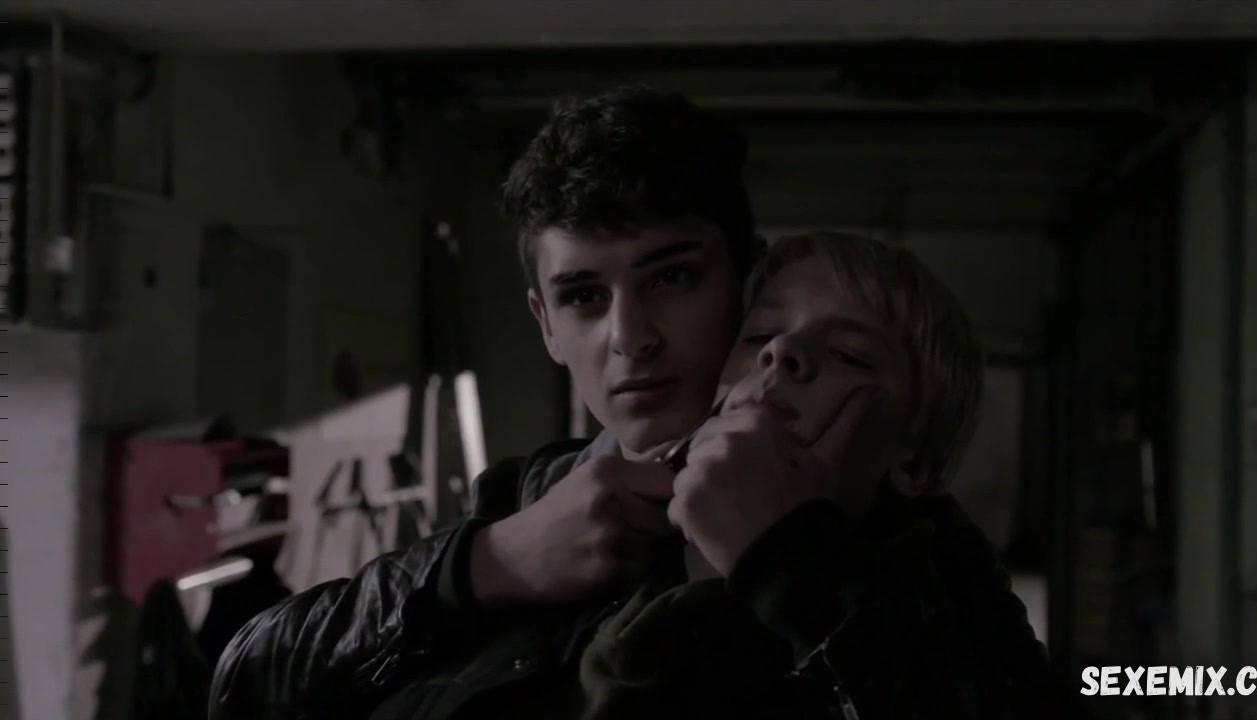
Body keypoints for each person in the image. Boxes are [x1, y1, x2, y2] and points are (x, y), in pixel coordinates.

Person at [209, 87, 1062, 720]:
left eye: (674, 278)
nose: (631, 338)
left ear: (742, 281)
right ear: (545, 324)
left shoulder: (917, 558)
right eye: (584, 296)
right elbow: (246, 681)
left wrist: (790, 560)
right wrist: (490, 565)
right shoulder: (529, 497)